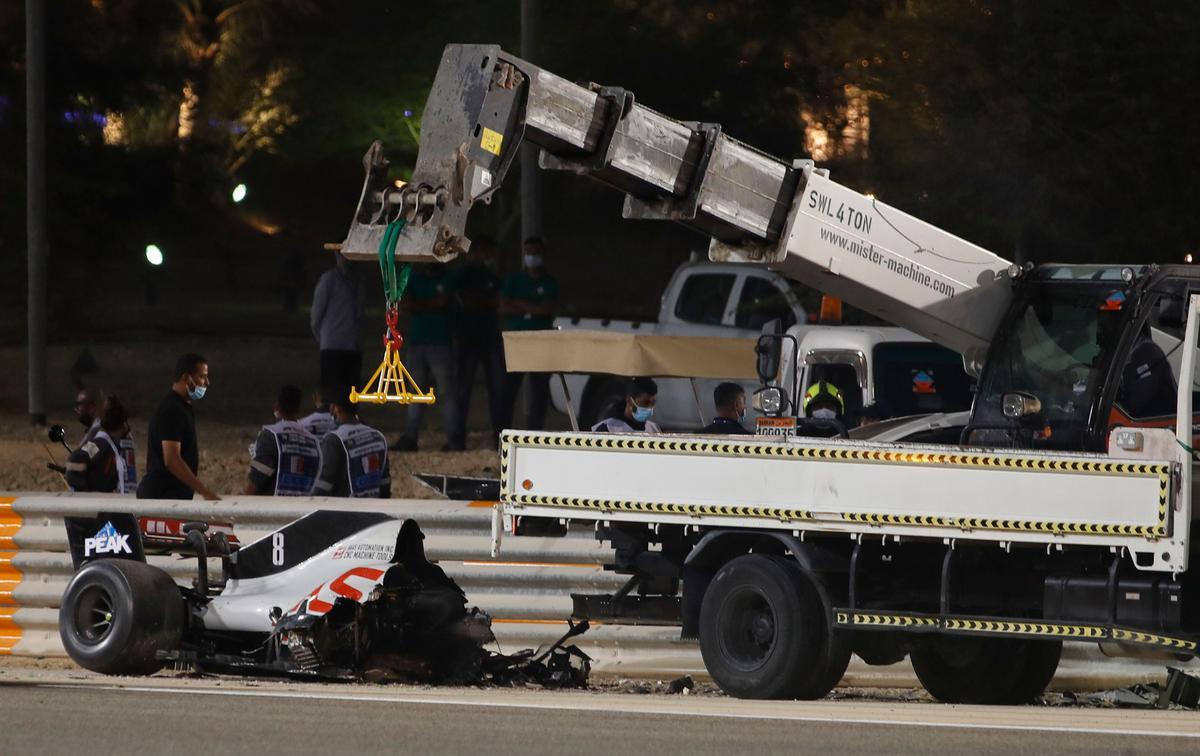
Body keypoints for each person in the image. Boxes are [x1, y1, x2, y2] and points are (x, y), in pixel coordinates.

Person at [393, 264, 464, 451]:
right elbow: (408, 304)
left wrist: (421, 304)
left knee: (446, 393)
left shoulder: (449, 278)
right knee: (415, 392)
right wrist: (432, 304)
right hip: (418, 343)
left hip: (440, 343)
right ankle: (411, 436)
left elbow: (441, 302)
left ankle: (454, 438)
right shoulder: (415, 278)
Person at [137, 353, 220, 501]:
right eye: (202, 377)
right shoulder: (172, 410)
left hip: (171, 497)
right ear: (186, 378)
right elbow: (172, 460)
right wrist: (204, 492)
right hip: (163, 498)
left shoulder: (182, 407)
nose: (207, 382)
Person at [451, 235, 507, 447]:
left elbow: (498, 301)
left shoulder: (491, 275)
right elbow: (466, 301)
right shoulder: (463, 275)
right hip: (467, 338)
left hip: (490, 338)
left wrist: (481, 300)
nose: (489, 257)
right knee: (462, 390)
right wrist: (484, 300)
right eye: (486, 252)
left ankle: (499, 439)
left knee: (497, 389)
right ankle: (457, 439)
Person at [501, 237, 559, 430]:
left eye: (535, 252)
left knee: (539, 391)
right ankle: (501, 432)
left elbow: (547, 310)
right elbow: (503, 308)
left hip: (540, 342)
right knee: (508, 390)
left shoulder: (549, 283)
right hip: (516, 342)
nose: (531, 257)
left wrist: (519, 304)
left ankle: (534, 432)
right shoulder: (514, 280)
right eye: (528, 252)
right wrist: (534, 307)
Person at [245, 385, 322, 496]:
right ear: (299, 409)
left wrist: (241, 505)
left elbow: (258, 477)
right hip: (303, 507)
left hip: (274, 508)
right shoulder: (314, 441)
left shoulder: (270, 435)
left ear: (277, 407)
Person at [315, 391, 392, 498]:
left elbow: (322, 487)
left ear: (336, 408)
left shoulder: (334, 439)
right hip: (374, 509)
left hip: (346, 511)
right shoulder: (378, 436)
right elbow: (385, 484)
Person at [311, 252, 365, 400]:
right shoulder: (328, 280)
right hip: (332, 347)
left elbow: (359, 314)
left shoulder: (358, 280)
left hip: (352, 346)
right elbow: (316, 316)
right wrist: (324, 339)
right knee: (330, 394)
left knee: (350, 396)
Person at [65, 397, 131, 493]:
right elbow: (77, 457)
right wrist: (83, 492)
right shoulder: (99, 444)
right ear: (121, 424)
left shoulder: (110, 445)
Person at [592, 377, 662, 433]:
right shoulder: (608, 429)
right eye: (644, 403)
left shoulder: (653, 429)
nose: (649, 408)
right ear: (629, 401)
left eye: (652, 403)